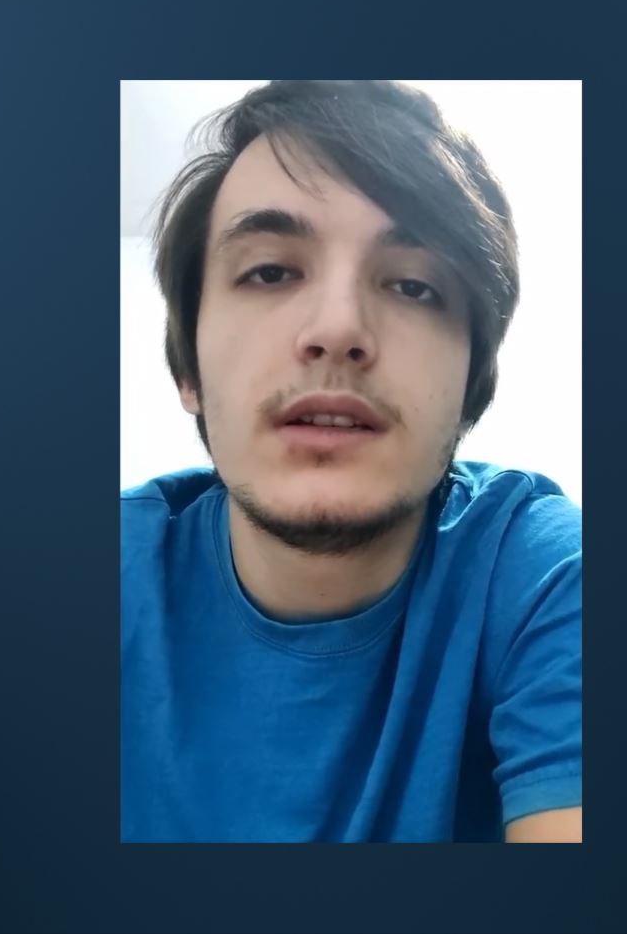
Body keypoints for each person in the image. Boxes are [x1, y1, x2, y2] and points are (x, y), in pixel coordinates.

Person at [121, 80, 581, 842]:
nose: (338, 328)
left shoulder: (545, 577)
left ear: (470, 387)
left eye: (413, 285)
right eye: (270, 272)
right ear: (188, 370)